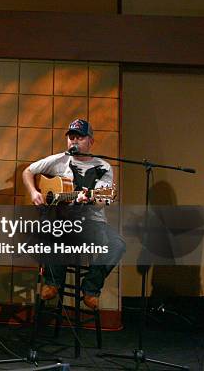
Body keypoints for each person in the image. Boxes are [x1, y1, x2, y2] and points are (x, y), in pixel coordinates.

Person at [22, 119, 125, 310]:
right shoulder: (60, 160)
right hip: (64, 221)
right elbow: (28, 171)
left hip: (93, 222)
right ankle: (53, 280)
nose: (74, 141)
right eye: (71, 137)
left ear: (91, 141)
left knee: (117, 245)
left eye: (79, 137)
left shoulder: (103, 167)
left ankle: (91, 288)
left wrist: (90, 200)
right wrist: (34, 193)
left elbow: (101, 203)